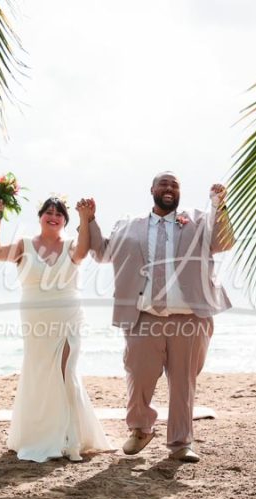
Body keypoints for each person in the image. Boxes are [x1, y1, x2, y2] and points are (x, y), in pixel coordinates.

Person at [82, 171, 235, 463]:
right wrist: (90, 220)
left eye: (174, 184)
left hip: (189, 318)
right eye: (163, 183)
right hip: (145, 315)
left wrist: (220, 205)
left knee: (183, 382)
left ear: (179, 192)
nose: (169, 188)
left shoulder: (199, 220)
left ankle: (181, 442)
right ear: (151, 189)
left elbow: (223, 242)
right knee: (138, 374)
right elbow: (101, 252)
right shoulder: (129, 226)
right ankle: (140, 430)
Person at [0, 197, 111, 462]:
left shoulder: (71, 247)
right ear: (40, 217)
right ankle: (39, 434)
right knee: (40, 374)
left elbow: (85, 250)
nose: (53, 216)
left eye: (59, 213)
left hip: (68, 316)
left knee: (66, 372)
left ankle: (71, 438)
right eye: (48, 212)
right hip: (35, 321)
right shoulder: (24, 245)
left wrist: (84, 217)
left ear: (65, 220)